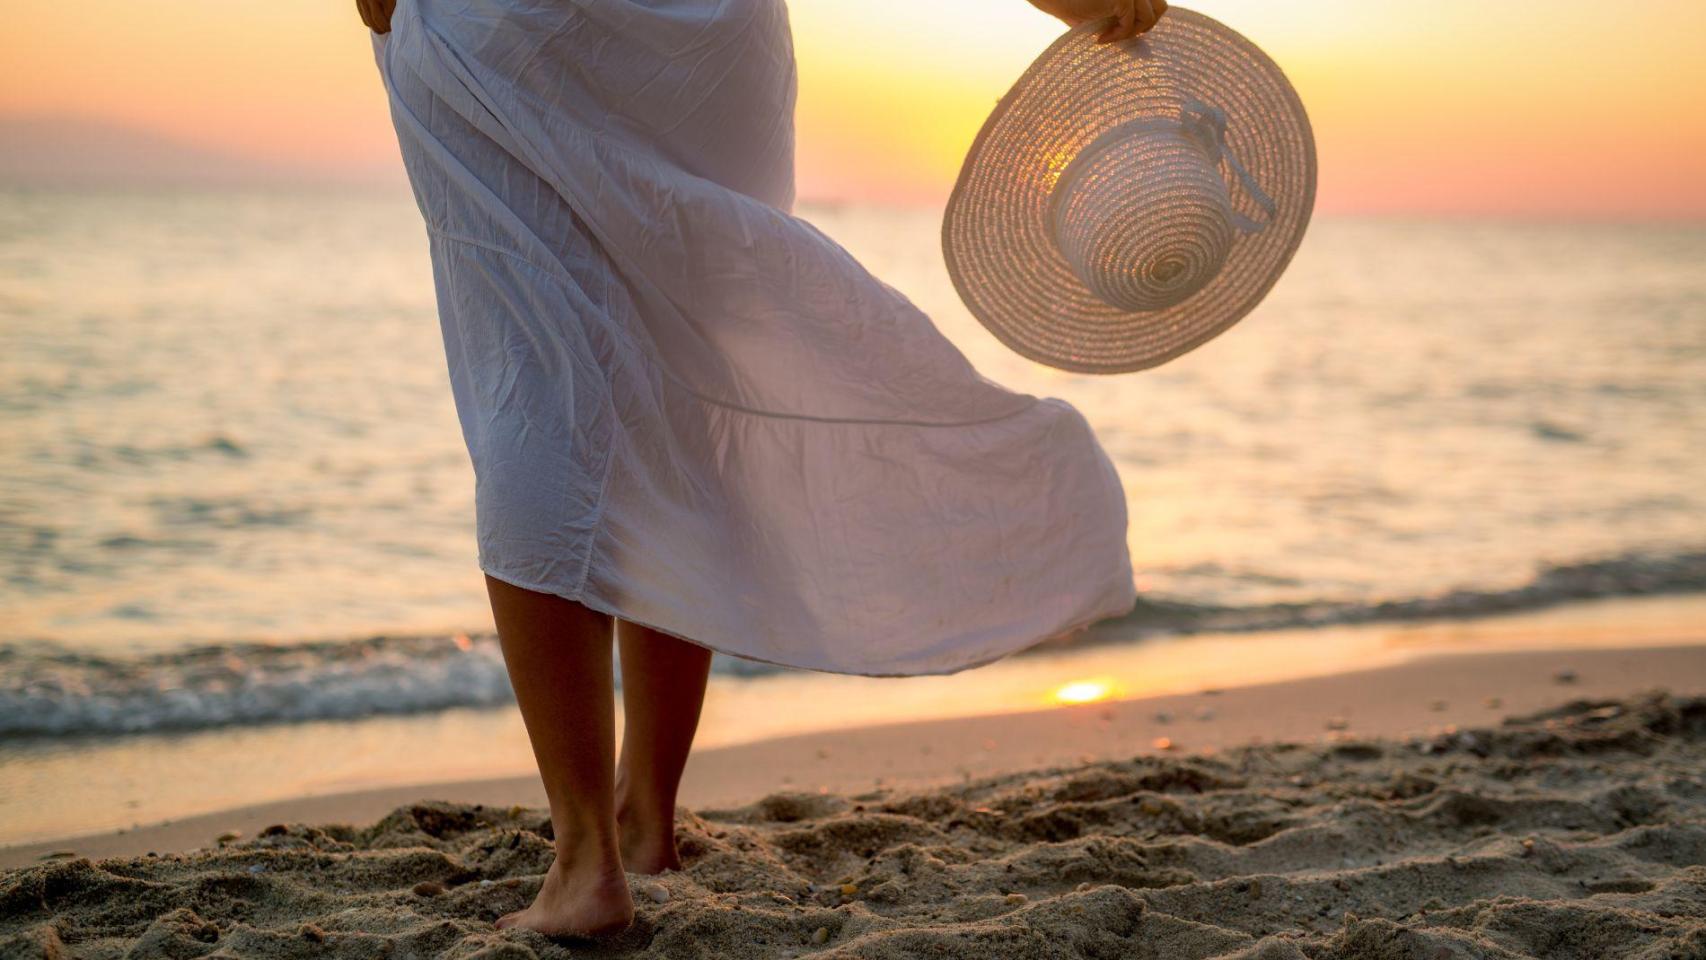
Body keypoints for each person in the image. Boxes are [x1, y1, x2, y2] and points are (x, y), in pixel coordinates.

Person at [355, 0, 1163, 938]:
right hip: (705, 39)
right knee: (692, 380)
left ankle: (587, 860)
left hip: (512, 24)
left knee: (534, 380)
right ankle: (645, 817)